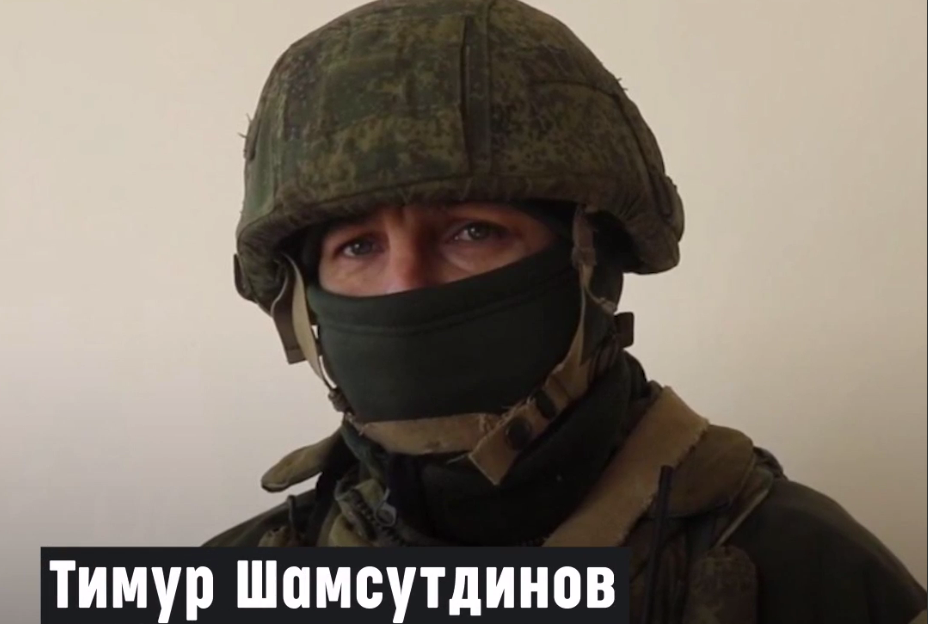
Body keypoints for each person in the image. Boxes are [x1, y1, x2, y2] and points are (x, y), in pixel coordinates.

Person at [203, 0, 927, 622]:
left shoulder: (806, 569)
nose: (406, 287)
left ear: (592, 266)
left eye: (472, 232)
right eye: (358, 247)